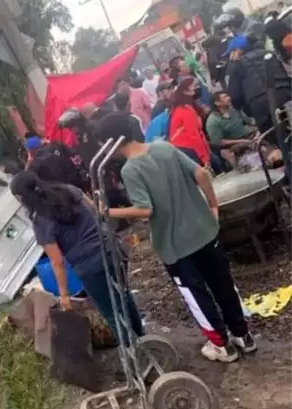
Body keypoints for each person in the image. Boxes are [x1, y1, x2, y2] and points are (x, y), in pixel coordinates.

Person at [97, 113, 256, 363]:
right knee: (223, 283)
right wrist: (213, 207)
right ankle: (243, 335)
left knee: (196, 294)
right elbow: (201, 175)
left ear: (112, 143)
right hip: (204, 230)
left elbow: (145, 209)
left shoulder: (131, 169)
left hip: (175, 246)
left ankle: (221, 346)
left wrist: (108, 211)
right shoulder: (163, 146)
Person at [9, 170, 144, 345]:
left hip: (91, 267)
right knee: (124, 295)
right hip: (113, 250)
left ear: (21, 197)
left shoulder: (41, 222)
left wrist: (64, 296)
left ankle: (135, 353)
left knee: (112, 311)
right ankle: (142, 338)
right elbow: (97, 211)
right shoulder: (68, 190)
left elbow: (57, 262)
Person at [226, 34, 292, 135]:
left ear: (238, 51)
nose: (230, 57)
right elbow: (286, 74)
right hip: (286, 94)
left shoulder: (237, 65)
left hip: (261, 105)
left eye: (230, 53)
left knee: (277, 138)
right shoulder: (269, 53)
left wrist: (247, 111)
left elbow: (235, 96)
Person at [168, 77, 212, 168]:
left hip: (186, 148)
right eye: (194, 86)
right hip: (187, 149)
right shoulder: (185, 110)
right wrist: (204, 157)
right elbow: (194, 135)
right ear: (186, 91)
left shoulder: (184, 107)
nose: (197, 88)